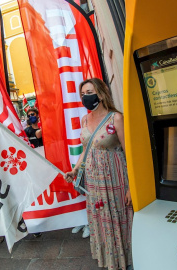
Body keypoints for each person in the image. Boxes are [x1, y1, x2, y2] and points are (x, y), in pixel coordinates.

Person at [64, 78, 133, 270]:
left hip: (116, 180)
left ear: (101, 94)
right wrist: (75, 169)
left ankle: (127, 261)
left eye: (89, 92)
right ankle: (111, 261)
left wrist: (131, 188)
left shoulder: (116, 118)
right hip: (94, 182)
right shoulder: (85, 120)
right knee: (101, 220)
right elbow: (86, 150)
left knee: (119, 219)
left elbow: (130, 154)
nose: (86, 97)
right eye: (83, 94)